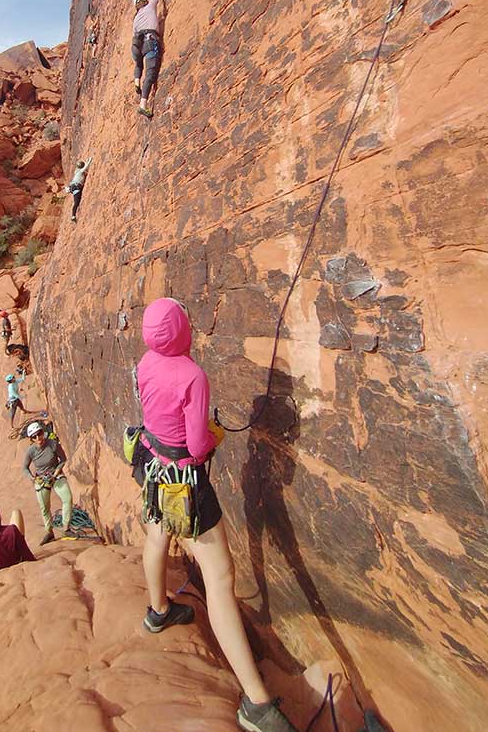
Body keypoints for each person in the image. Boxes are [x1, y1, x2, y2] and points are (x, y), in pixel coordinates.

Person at [132, 297, 295, 732]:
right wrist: (214, 434)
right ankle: (257, 704)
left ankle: (158, 611)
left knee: (156, 538)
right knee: (221, 578)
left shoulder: (145, 362)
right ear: (181, 327)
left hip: (151, 467)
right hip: (185, 483)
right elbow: (198, 445)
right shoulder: (192, 375)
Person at [22, 422, 77, 543]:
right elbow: (25, 468)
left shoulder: (53, 444)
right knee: (45, 507)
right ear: (31, 439)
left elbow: (63, 459)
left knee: (67, 498)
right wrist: (32, 478)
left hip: (55, 475)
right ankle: (49, 532)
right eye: (34, 436)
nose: (38, 438)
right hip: (41, 479)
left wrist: (57, 472)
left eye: (40, 434)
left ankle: (66, 528)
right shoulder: (31, 451)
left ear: (43, 433)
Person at [132, 0, 165, 119]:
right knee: (151, 73)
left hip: (142, 46)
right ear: (144, 1)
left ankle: (137, 81)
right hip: (151, 43)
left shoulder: (136, 20)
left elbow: (134, 41)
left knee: (140, 66)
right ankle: (143, 104)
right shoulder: (150, 6)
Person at [65, 157, 92, 223]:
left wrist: (86, 161)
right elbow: (86, 167)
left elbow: (84, 168)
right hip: (76, 187)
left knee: (77, 202)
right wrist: (90, 160)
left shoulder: (77, 171)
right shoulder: (80, 172)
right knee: (76, 202)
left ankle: (73, 216)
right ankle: (73, 216)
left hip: (74, 187)